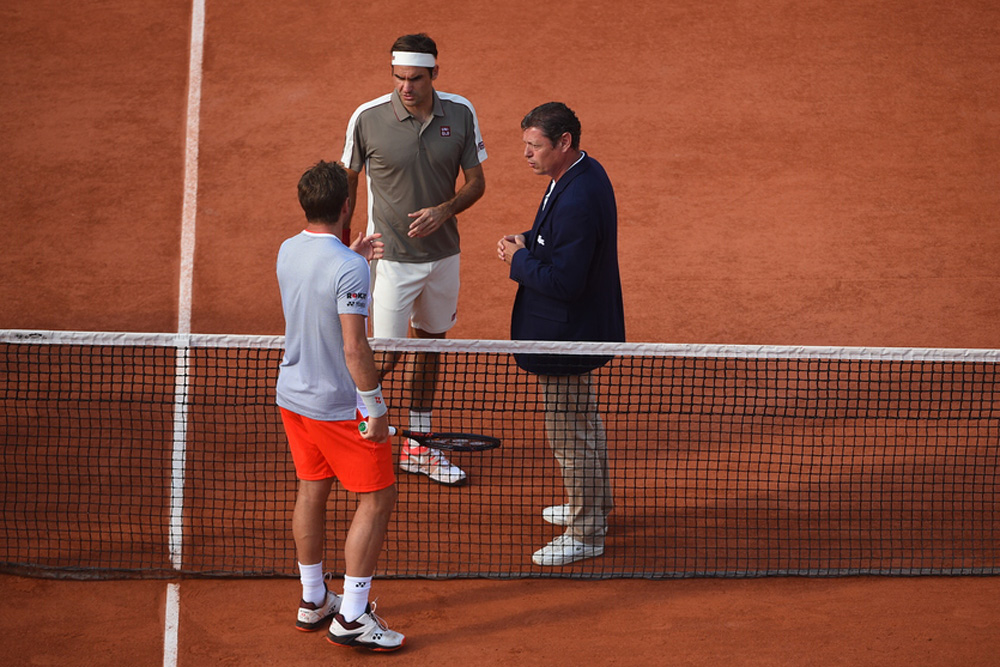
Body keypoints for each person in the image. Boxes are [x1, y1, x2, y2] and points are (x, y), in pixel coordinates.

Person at [341, 33, 487, 486]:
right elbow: (348, 181)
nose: (406, 87)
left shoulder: (460, 113)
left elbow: (477, 182)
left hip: (444, 257)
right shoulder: (367, 118)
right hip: (391, 260)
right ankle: (347, 422)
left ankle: (417, 445)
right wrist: (342, 245)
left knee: (430, 346)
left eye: (416, 78)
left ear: (433, 75)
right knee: (381, 356)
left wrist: (446, 208)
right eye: (399, 77)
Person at [276, 160, 405, 651]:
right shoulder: (348, 268)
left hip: (293, 396)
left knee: (312, 489)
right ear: (347, 205)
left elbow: (316, 285)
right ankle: (352, 616)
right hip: (336, 406)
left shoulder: (288, 250)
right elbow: (355, 347)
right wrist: (375, 408)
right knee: (376, 497)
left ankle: (314, 600)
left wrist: (348, 257)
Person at [497, 102, 625, 567]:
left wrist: (518, 261)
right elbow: (562, 238)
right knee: (583, 425)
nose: (526, 154)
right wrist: (531, 240)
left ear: (564, 143)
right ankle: (591, 505)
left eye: (535, 146)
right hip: (576, 333)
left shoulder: (576, 196)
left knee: (570, 435)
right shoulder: (578, 174)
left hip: (566, 339)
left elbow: (566, 282)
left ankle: (588, 532)